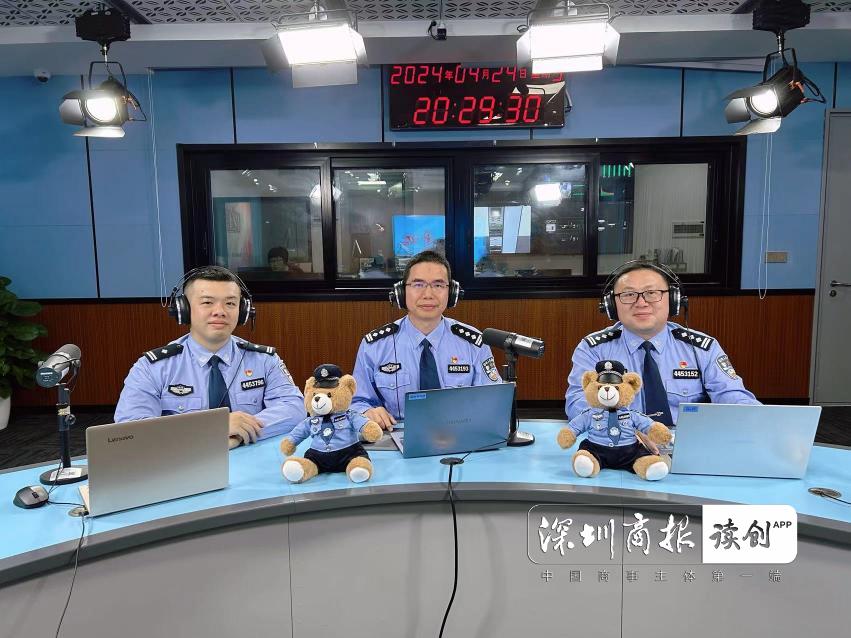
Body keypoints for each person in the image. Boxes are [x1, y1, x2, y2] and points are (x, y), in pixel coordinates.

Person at [114, 266, 306, 448]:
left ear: (243, 311)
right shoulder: (152, 367)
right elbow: (130, 430)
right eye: (207, 302)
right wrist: (214, 428)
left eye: (230, 303)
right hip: (184, 462)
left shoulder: (264, 360)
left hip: (251, 459)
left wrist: (240, 432)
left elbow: (294, 408)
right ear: (184, 309)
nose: (220, 311)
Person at [565, 260, 759, 425]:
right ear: (611, 305)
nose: (641, 303)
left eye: (652, 293)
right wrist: (623, 429)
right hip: (619, 442)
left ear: (673, 300)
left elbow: (732, 396)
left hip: (685, 444)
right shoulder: (593, 349)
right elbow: (577, 404)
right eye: (628, 295)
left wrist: (756, 419)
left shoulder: (702, 348)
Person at [351, 250, 502, 430]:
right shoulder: (374, 346)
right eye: (418, 284)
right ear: (401, 292)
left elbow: (493, 402)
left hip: (460, 436)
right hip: (395, 436)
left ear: (452, 292)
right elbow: (356, 403)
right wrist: (368, 412)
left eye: (438, 285)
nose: (428, 294)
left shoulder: (474, 343)